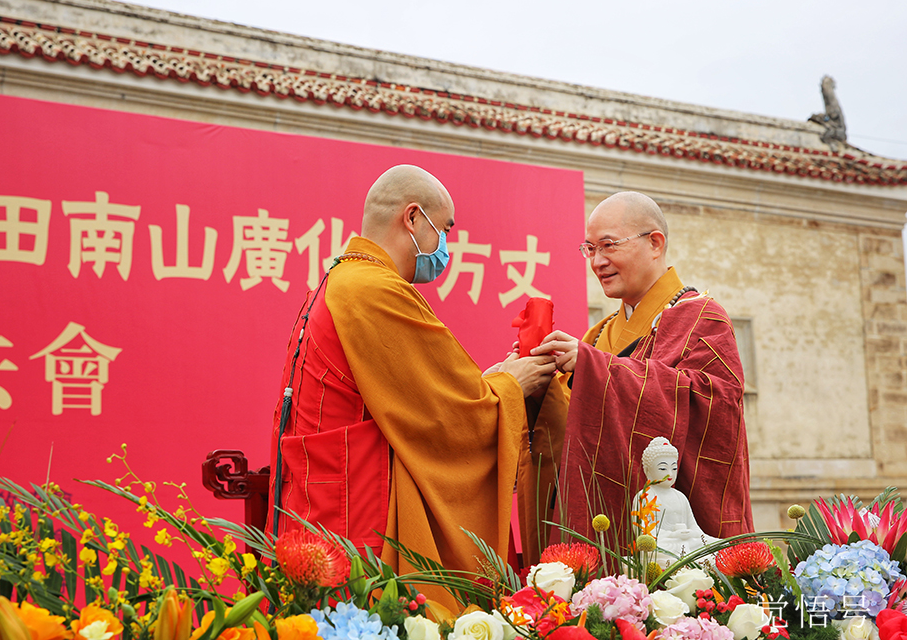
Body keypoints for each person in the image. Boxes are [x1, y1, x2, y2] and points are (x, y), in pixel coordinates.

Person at [265, 165, 557, 600]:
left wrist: (498, 379)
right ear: (413, 218)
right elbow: (452, 416)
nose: (446, 245)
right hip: (357, 517)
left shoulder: (339, 282)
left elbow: (421, 398)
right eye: (445, 229)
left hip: (325, 505)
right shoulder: (372, 290)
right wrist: (510, 385)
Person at [530, 191, 753, 548]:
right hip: (601, 521)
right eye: (590, 249)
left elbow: (717, 410)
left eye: (608, 245)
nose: (597, 261)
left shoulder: (702, 317)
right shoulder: (599, 334)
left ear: (655, 243)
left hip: (668, 533)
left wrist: (595, 369)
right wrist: (536, 380)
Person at [632, 437, 717, 567]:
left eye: (674, 468)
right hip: (664, 545)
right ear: (647, 470)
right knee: (671, 548)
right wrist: (673, 535)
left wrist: (689, 533)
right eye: (663, 469)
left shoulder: (680, 497)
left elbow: (695, 528)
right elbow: (643, 534)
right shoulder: (644, 496)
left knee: (719, 545)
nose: (670, 473)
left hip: (687, 541)